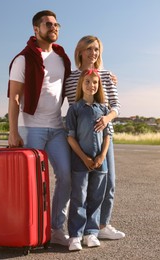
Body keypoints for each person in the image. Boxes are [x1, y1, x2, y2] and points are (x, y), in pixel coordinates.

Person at [7, 10, 72, 246]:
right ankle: (32, 230)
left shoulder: (62, 57)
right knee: (34, 183)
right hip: (32, 128)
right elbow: (14, 98)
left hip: (56, 128)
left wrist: (107, 76)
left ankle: (56, 228)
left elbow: (80, 79)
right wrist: (13, 132)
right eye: (48, 24)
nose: (53, 27)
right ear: (36, 29)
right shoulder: (23, 59)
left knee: (66, 176)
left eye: (56, 24)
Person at [65, 35, 125, 240]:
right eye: (89, 49)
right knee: (81, 188)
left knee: (108, 182)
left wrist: (107, 119)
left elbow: (116, 106)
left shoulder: (107, 76)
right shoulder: (71, 78)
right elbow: (72, 107)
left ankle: (102, 225)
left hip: (104, 138)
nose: (93, 53)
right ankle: (81, 230)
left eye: (97, 49)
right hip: (80, 139)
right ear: (80, 51)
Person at [66, 69, 111, 251]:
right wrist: (84, 158)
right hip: (80, 161)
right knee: (79, 197)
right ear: (81, 84)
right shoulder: (75, 109)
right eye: (87, 82)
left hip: (100, 162)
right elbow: (70, 137)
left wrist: (101, 156)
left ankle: (90, 233)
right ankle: (75, 235)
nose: (91, 85)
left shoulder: (104, 109)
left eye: (95, 82)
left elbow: (108, 136)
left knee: (96, 197)